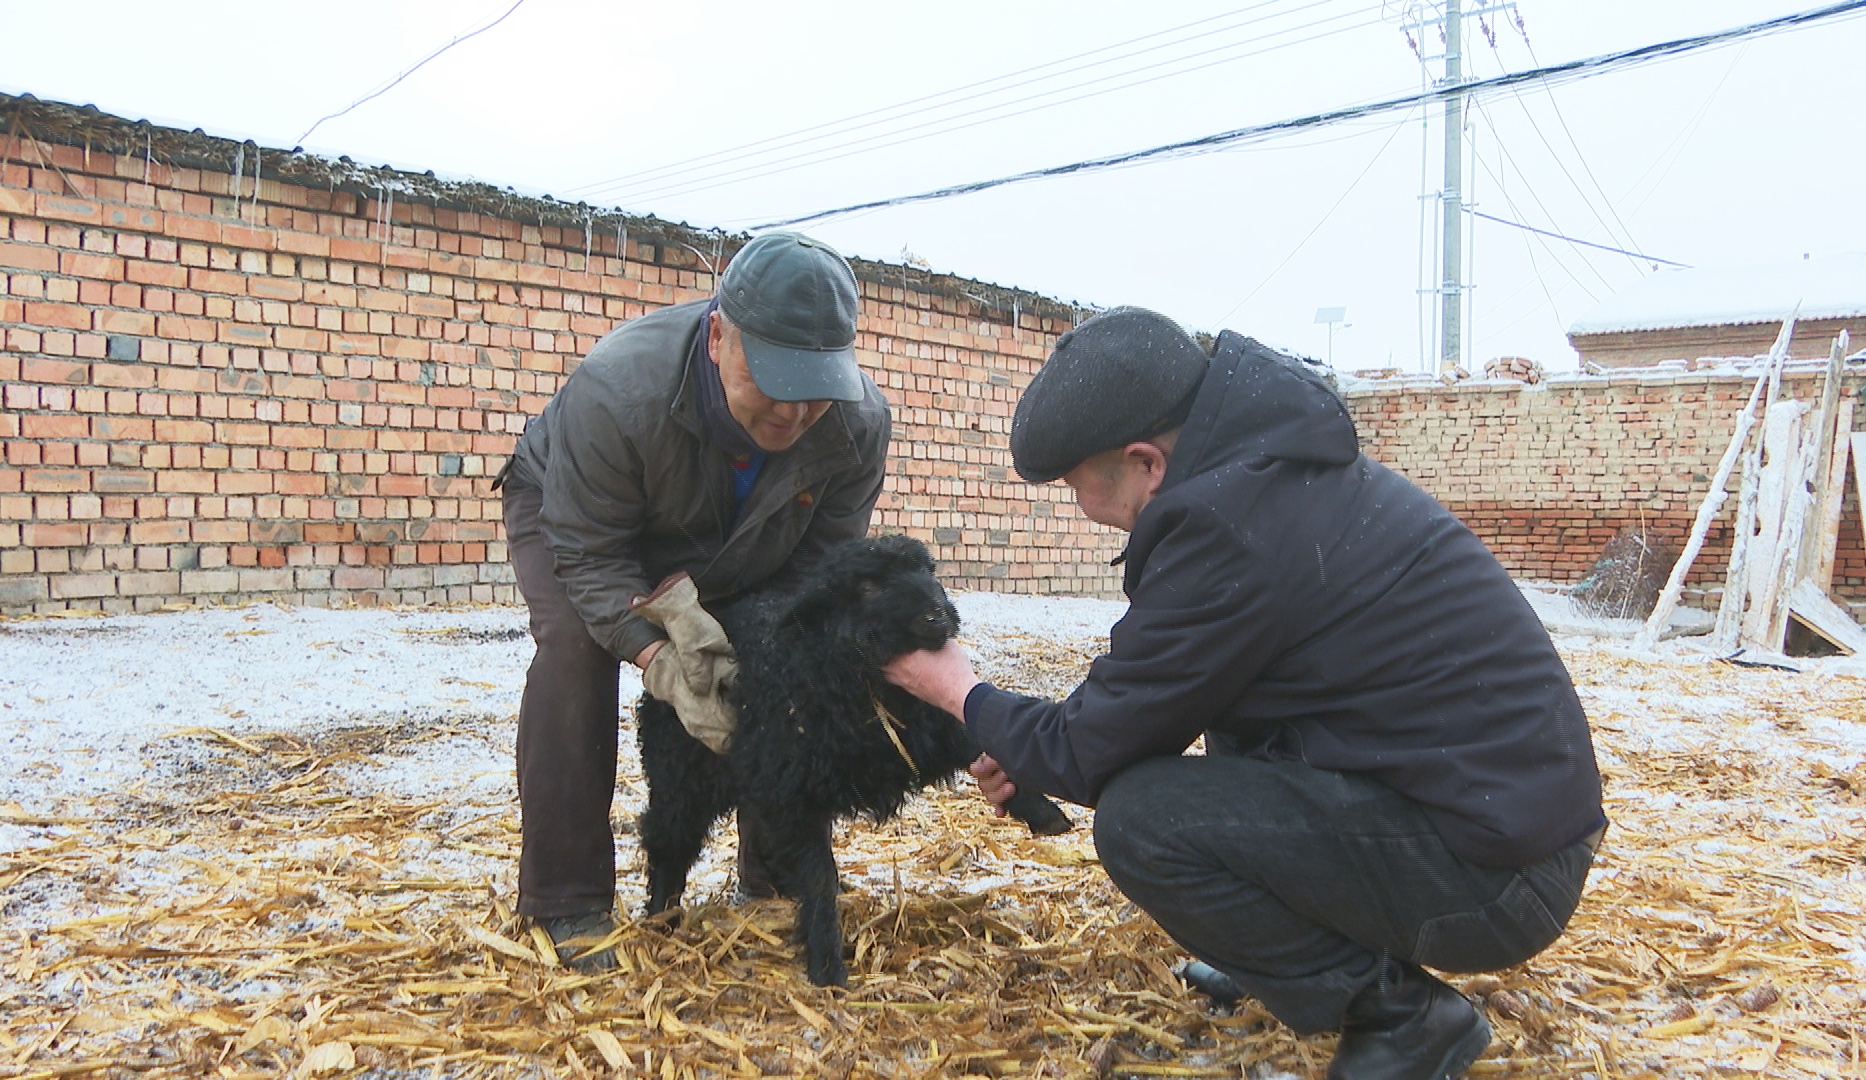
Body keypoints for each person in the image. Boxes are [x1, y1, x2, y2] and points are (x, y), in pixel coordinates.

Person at [884, 307, 1604, 1080]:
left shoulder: (1234, 529)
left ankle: (1403, 1017)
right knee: (1220, 721)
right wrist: (1033, 742)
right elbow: (1142, 708)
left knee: (1143, 821)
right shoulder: (1268, 478)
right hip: (1490, 819)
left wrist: (959, 691)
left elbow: (1092, 751)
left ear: (1144, 462)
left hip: (1498, 877)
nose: (1084, 508)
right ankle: (1280, 956)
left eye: (1078, 486)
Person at [496, 231, 891, 971]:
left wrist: (765, 646)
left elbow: (819, 574)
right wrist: (660, 658)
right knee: (577, 648)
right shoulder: (619, 391)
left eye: (816, 383)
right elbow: (590, 556)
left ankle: (777, 875)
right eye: (774, 377)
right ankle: (566, 899)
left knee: (781, 654)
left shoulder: (854, 425)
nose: (795, 408)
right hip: (579, 514)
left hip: (736, 535)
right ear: (717, 337)